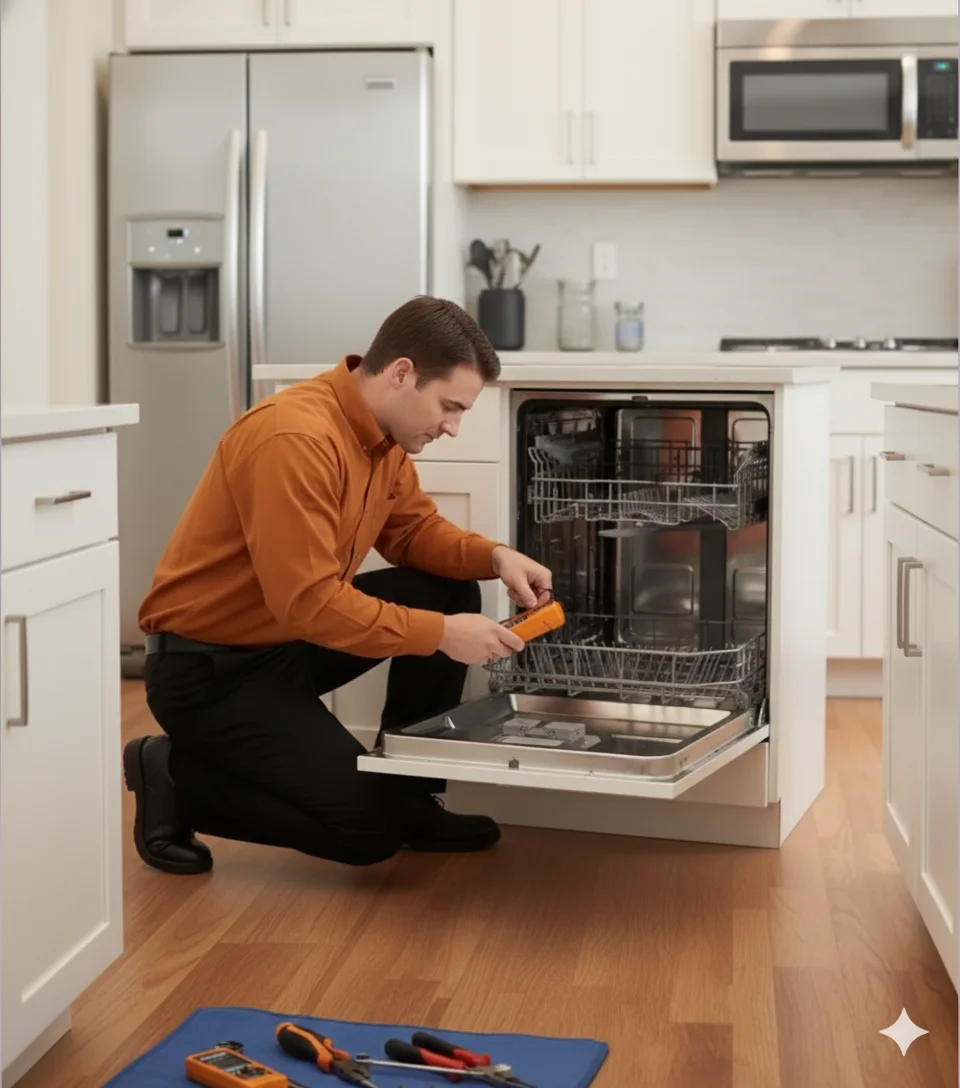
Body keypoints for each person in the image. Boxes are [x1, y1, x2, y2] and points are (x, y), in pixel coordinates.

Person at [124, 296, 552, 875]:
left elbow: (413, 531)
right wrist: (441, 636)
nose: (452, 427)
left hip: (284, 645)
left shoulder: (383, 438)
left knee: (449, 587)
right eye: (450, 406)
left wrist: (495, 555)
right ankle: (173, 774)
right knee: (368, 834)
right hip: (211, 674)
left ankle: (410, 795)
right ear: (402, 374)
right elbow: (307, 602)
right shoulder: (294, 438)